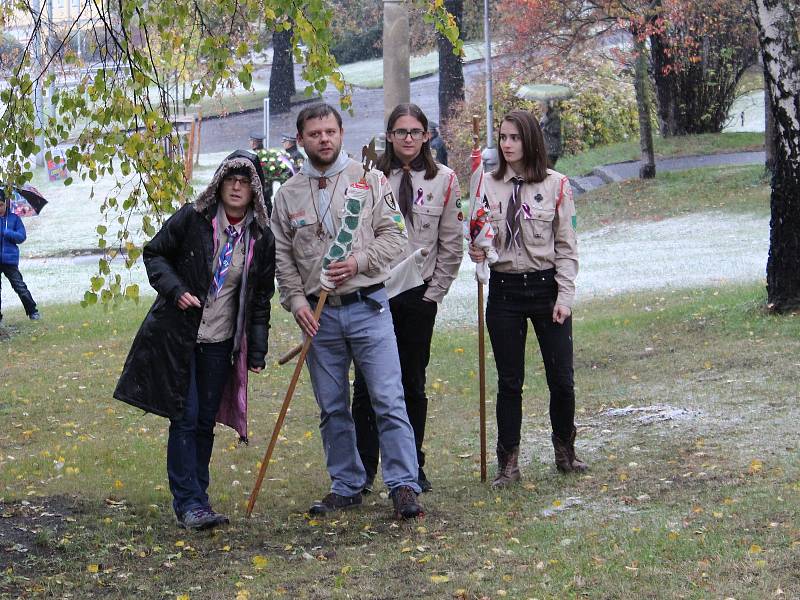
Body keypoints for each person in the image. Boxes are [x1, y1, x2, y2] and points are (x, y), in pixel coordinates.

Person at [271, 102, 424, 519]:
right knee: (332, 406)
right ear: (301, 139)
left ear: (341, 134)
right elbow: (283, 260)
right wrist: (297, 302)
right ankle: (347, 483)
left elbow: (397, 239)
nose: (324, 139)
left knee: (389, 399)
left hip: (368, 306)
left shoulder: (369, 181)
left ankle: (403, 484)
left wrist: (358, 262)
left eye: (330, 132)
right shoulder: (287, 196)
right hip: (320, 317)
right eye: (315, 133)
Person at [114, 150, 275, 530]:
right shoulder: (194, 219)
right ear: (219, 184)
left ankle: (198, 498)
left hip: (220, 342)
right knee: (184, 417)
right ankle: (187, 502)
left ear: (256, 191)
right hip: (180, 336)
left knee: (204, 420)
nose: (237, 186)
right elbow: (154, 253)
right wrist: (175, 289)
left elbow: (260, 299)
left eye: (245, 181)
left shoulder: (260, 238)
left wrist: (258, 348)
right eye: (230, 179)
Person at [468, 110, 587, 488]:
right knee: (509, 381)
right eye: (502, 137)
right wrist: (477, 249)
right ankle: (508, 463)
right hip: (504, 290)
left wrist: (564, 297)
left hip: (545, 288)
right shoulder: (485, 184)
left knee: (562, 379)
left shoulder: (556, 185)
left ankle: (565, 450)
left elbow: (567, 246)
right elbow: (479, 234)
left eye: (514, 137)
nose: (506, 144)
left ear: (530, 140)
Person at [351, 103, 463, 494]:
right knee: (366, 385)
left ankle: (413, 464)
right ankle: (363, 468)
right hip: (374, 291)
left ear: (427, 136)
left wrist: (434, 294)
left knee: (412, 382)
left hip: (417, 294)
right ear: (389, 136)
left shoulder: (445, 180)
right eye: (401, 132)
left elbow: (451, 245)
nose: (409, 139)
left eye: (416, 132)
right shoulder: (369, 179)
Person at [0, 189, 40, 324]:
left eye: (0, 204)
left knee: (20, 287)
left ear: (6, 203)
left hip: (9, 260)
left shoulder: (14, 219)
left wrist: (7, 232)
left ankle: (33, 311)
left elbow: (21, 237)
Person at [539, 101, 562, 169]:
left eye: (542, 105)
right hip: (546, 148)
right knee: (548, 169)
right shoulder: (544, 117)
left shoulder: (554, 116)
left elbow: (555, 130)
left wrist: (544, 129)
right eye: (540, 106)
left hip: (552, 149)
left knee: (549, 169)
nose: (541, 108)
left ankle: (559, 179)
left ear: (547, 106)